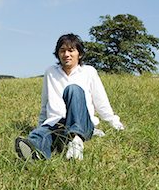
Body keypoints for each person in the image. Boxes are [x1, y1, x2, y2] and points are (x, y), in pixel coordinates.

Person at [15, 33, 124, 161]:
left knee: (73, 89)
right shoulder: (50, 72)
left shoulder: (89, 71)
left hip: (83, 122)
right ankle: (35, 151)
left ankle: (76, 141)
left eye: (71, 50)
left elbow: (101, 102)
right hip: (57, 123)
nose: (66, 54)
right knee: (40, 133)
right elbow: (45, 103)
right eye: (62, 51)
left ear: (80, 54)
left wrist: (115, 124)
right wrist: (42, 124)